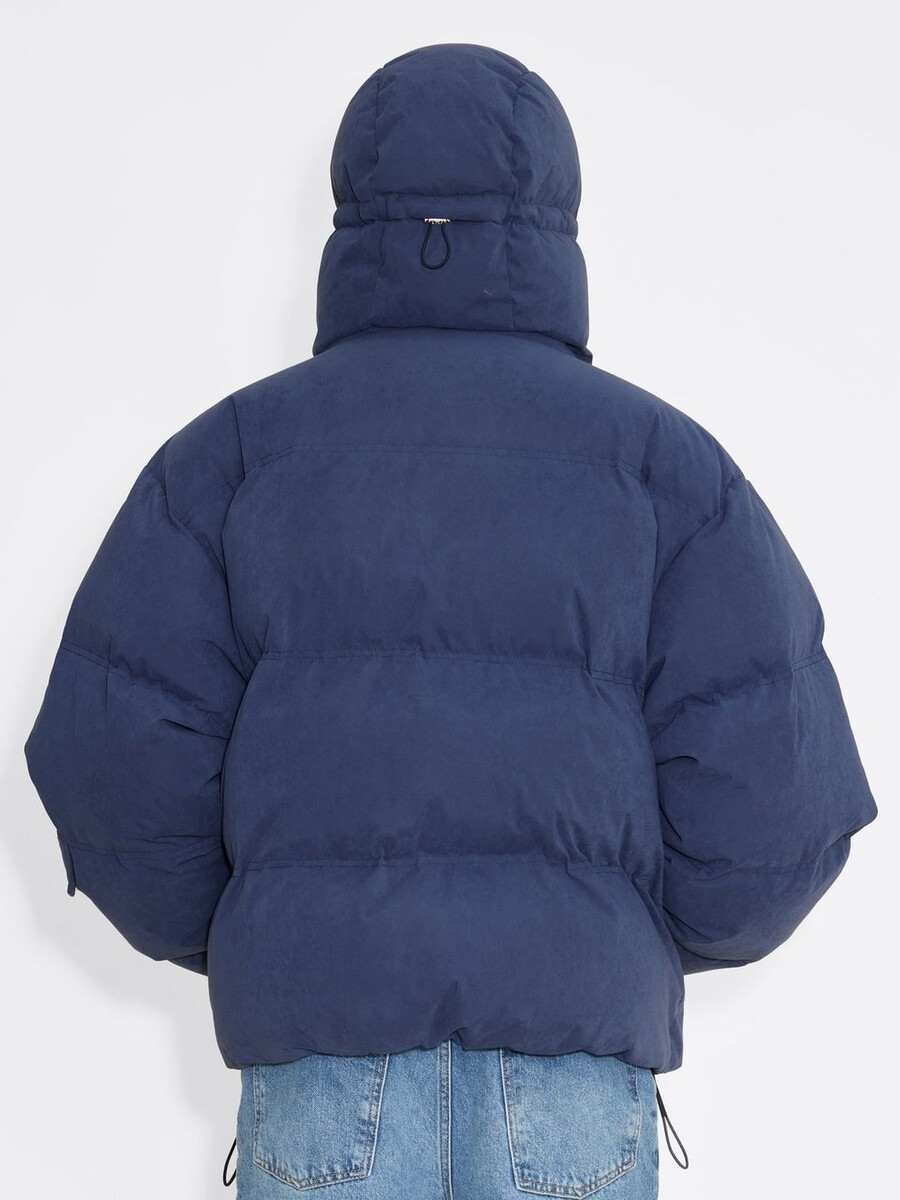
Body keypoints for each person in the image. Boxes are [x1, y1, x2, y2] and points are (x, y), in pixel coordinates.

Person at [24, 42, 877, 1199]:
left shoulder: (230, 459)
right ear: (554, 217)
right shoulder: (664, 469)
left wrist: (270, 933)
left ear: (353, 217)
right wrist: (605, 937)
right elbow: (776, 805)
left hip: (320, 1061)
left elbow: (111, 763)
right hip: (574, 1071)